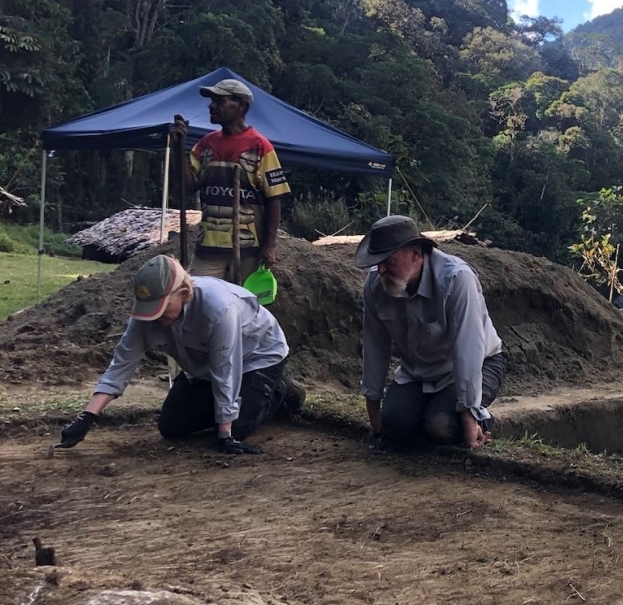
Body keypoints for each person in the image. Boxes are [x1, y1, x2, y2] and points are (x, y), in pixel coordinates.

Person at [55, 255, 301, 454]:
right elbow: (121, 364)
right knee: (171, 426)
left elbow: (227, 369)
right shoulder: (147, 316)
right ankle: (240, 405)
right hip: (203, 367)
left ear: (183, 293)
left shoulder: (219, 309)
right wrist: (86, 418)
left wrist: (227, 435)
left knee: (234, 428)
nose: (155, 316)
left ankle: (279, 391)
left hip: (255, 358)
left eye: (162, 308)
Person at [356, 215, 507, 449]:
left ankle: (482, 421)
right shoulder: (376, 285)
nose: (381, 269)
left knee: (440, 427)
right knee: (394, 425)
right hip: (419, 373)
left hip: (477, 365)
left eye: (389, 260)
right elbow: (375, 344)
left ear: (415, 254)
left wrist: (468, 414)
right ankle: (430, 411)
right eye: (378, 261)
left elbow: (468, 349)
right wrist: (374, 408)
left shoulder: (457, 279)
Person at [169, 78, 291, 284]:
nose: (211, 106)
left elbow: (274, 198)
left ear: (241, 105)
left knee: (242, 308)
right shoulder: (206, 145)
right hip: (208, 247)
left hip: (247, 250)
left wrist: (270, 245)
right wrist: (177, 148)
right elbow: (187, 187)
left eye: (219, 101)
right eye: (212, 101)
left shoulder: (260, 146)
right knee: (200, 301)